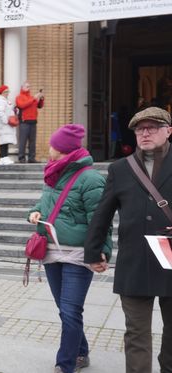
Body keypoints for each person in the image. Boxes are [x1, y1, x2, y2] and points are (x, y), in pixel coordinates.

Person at [85, 107, 172, 373]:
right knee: (136, 331)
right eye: (139, 128)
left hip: (171, 255)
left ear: (168, 130)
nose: (145, 133)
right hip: (135, 259)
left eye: (152, 127)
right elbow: (103, 211)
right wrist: (93, 250)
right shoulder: (121, 168)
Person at [28, 124, 112, 373]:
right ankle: (81, 352)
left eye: (52, 144)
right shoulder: (53, 172)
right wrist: (33, 212)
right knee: (65, 311)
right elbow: (44, 202)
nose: (49, 147)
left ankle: (65, 365)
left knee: (70, 310)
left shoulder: (91, 178)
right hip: (51, 253)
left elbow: (100, 219)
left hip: (77, 255)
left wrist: (100, 252)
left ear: (61, 148)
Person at [16, 81, 45, 163]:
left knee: (32, 141)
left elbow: (39, 106)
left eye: (29, 86)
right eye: (27, 86)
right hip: (24, 122)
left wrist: (41, 99)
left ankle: (31, 158)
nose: (29, 88)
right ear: (22, 87)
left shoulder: (32, 97)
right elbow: (22, 105)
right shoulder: (19, 97)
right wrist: (33, 98)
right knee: (23, 140)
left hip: (33, 122)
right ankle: (21, 158)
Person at [0, 85, 17, 165]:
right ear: (2, 92)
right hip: (4, 125)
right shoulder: (1, 101)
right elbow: (0, 112)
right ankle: (4, 157)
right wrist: (6, 121)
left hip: (7, 125)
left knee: (6, 141)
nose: (7, 93)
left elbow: (8, 110)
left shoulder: (5, 100)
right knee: (4, 141)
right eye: (6, 92)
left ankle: (4, 157)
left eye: (8, 91)